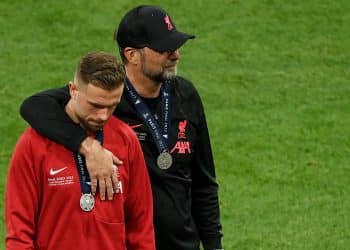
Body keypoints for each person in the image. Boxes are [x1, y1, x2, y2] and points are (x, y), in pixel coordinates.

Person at [20, 5, 223, 250]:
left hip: (182, 244)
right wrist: (88, 147)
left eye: (176, 46)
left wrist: (214, 246)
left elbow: (204, 184)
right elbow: (34, 106)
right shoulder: (105, 99)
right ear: (131, 54)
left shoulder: (187, 96)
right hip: (128, 242)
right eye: (164, 49)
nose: (176, 55)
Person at [6, 51, 155, 249]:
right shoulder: (33, 145)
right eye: (95, 105)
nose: (103, 116)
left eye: (112, 107)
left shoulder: (126, 140)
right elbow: (19, 232)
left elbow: (141, 226)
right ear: (73, 90)